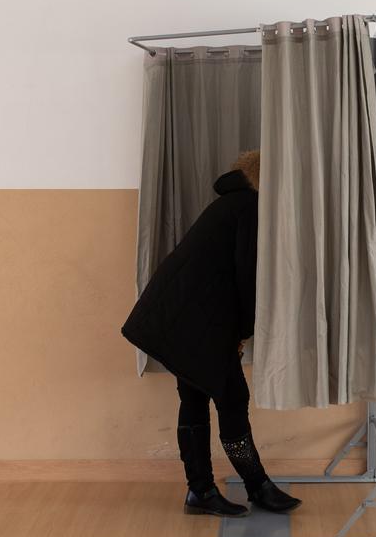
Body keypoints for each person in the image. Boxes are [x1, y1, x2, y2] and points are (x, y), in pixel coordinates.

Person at [122, 150, 302, 517]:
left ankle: (201, 491)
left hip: (181, 318)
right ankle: (256, 486)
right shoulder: (250, 207)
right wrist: (247, 331)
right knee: (232, 397)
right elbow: (246, 276)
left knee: (195, 399)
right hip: (195, 321)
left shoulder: (231, 204)